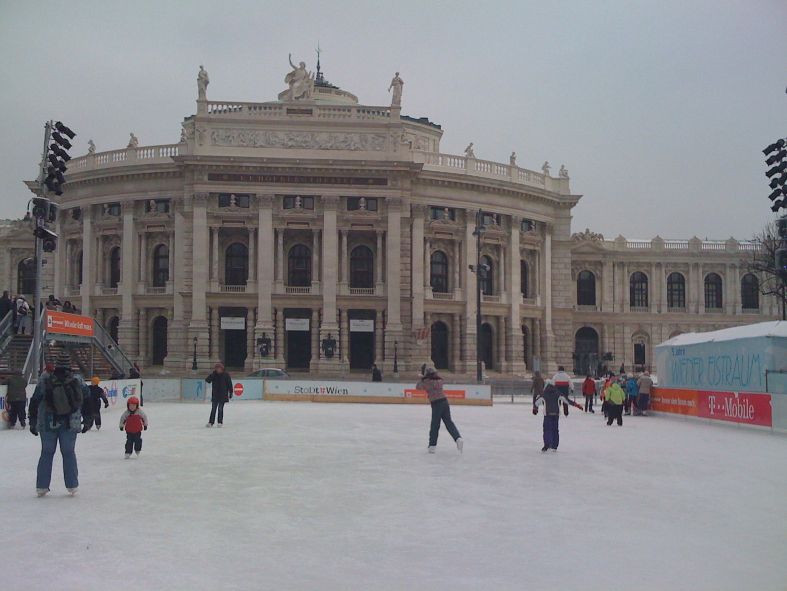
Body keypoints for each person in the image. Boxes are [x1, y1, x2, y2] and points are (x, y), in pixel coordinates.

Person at [28, 354, 83, 497]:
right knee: (68, 452)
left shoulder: (45, 380)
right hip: (70, 422)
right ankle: (72, 485)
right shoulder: (77, 380)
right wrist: (89, 418)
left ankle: (42, 486)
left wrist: (32, 420)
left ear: (56, 365)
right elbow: (87, 398)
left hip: (48, 422)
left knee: (46, 453)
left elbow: (34, 400)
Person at [416, 366, 463, 454]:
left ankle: (432, 446)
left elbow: (418, 387)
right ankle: (458, 438)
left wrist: (421, 378)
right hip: (444, 402)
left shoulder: (427, 382)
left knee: (435, 425)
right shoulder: (440, 380)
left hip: (436, 403)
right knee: (449, 422)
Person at [533, 379, 583, 451]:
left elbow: (537, 402)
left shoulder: (544, 394)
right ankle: (554, 446)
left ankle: (547, 445)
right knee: (555, 430)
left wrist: (535, 409)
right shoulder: (558, 393)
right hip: (556, 414)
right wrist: (576, 405)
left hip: (547, 414)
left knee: (547, 430)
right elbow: (567, 400)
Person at [205, 362, 232, 427]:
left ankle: (220, 422)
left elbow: (229, 384)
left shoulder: (226, 375)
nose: (218, 370)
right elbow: (207, 380)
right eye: (216, 368)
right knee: (213, 409)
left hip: (223, 395)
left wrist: (231, 392)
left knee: (220, 409)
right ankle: (211, 422)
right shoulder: (214, 375)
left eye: (219, 368)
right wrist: (212, 374)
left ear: (222, 368)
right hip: (215, 395)